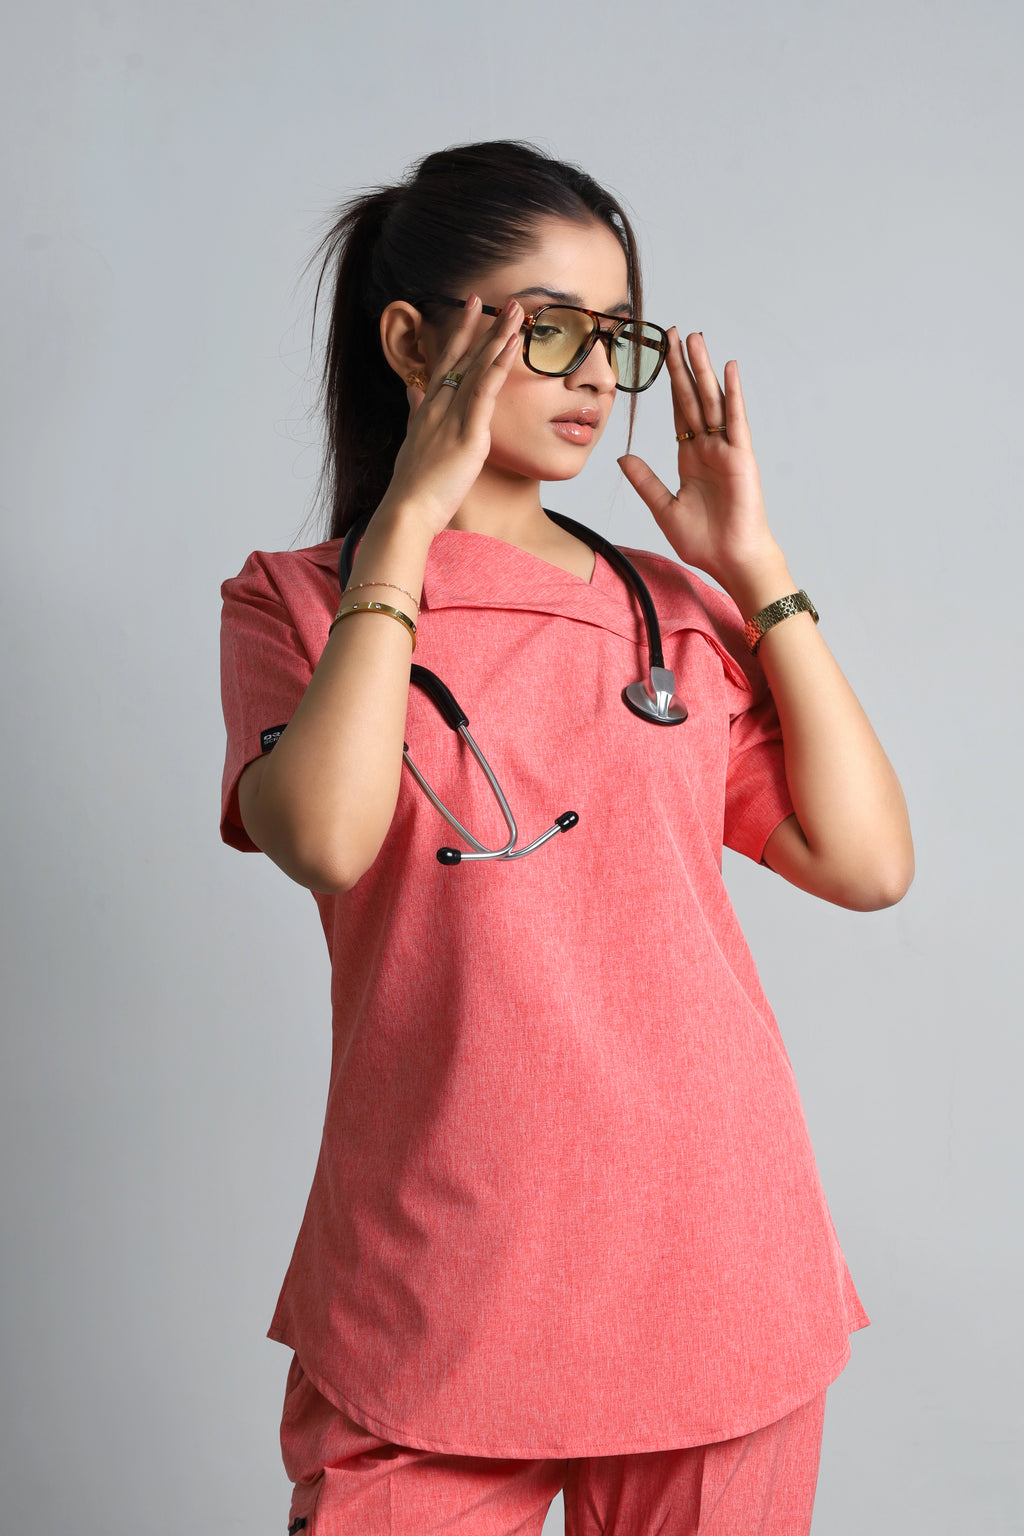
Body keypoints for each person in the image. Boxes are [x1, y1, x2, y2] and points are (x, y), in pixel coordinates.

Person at [219, 140, 913, 1536]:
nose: (599, 374)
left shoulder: (663, 609)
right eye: (549, 329)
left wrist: (756, 574)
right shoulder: (296, 607)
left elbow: (866, 864)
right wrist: (408, 525)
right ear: (412, 339)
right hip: (432, 1287)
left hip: (713, 1264)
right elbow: (328, 838)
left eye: (620, 338)